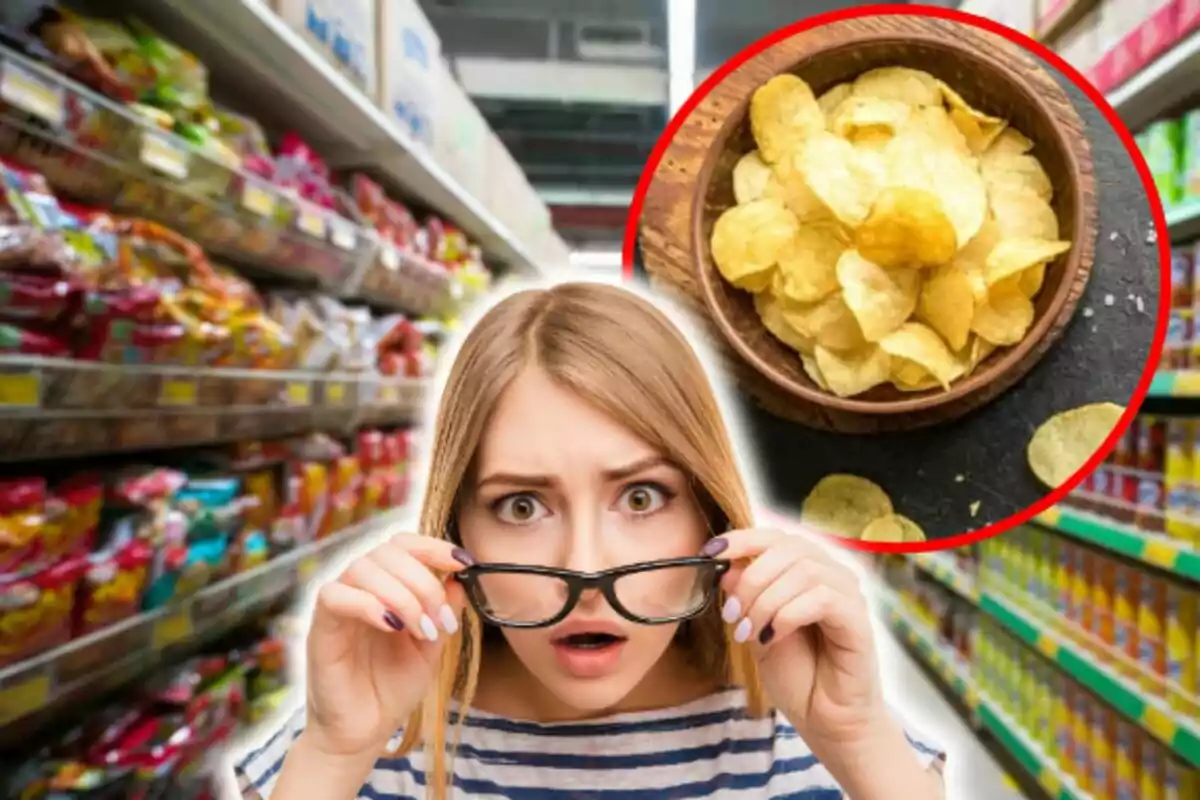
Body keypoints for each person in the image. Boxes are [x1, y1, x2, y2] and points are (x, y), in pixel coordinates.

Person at [232, 282, 945, 799]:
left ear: (710, 514)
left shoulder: (816, 728)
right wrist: (333, 755)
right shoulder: (375, 733)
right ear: (456, 531)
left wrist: (857, 744)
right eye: (519, 505)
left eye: (641, 497)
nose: (586, 568)